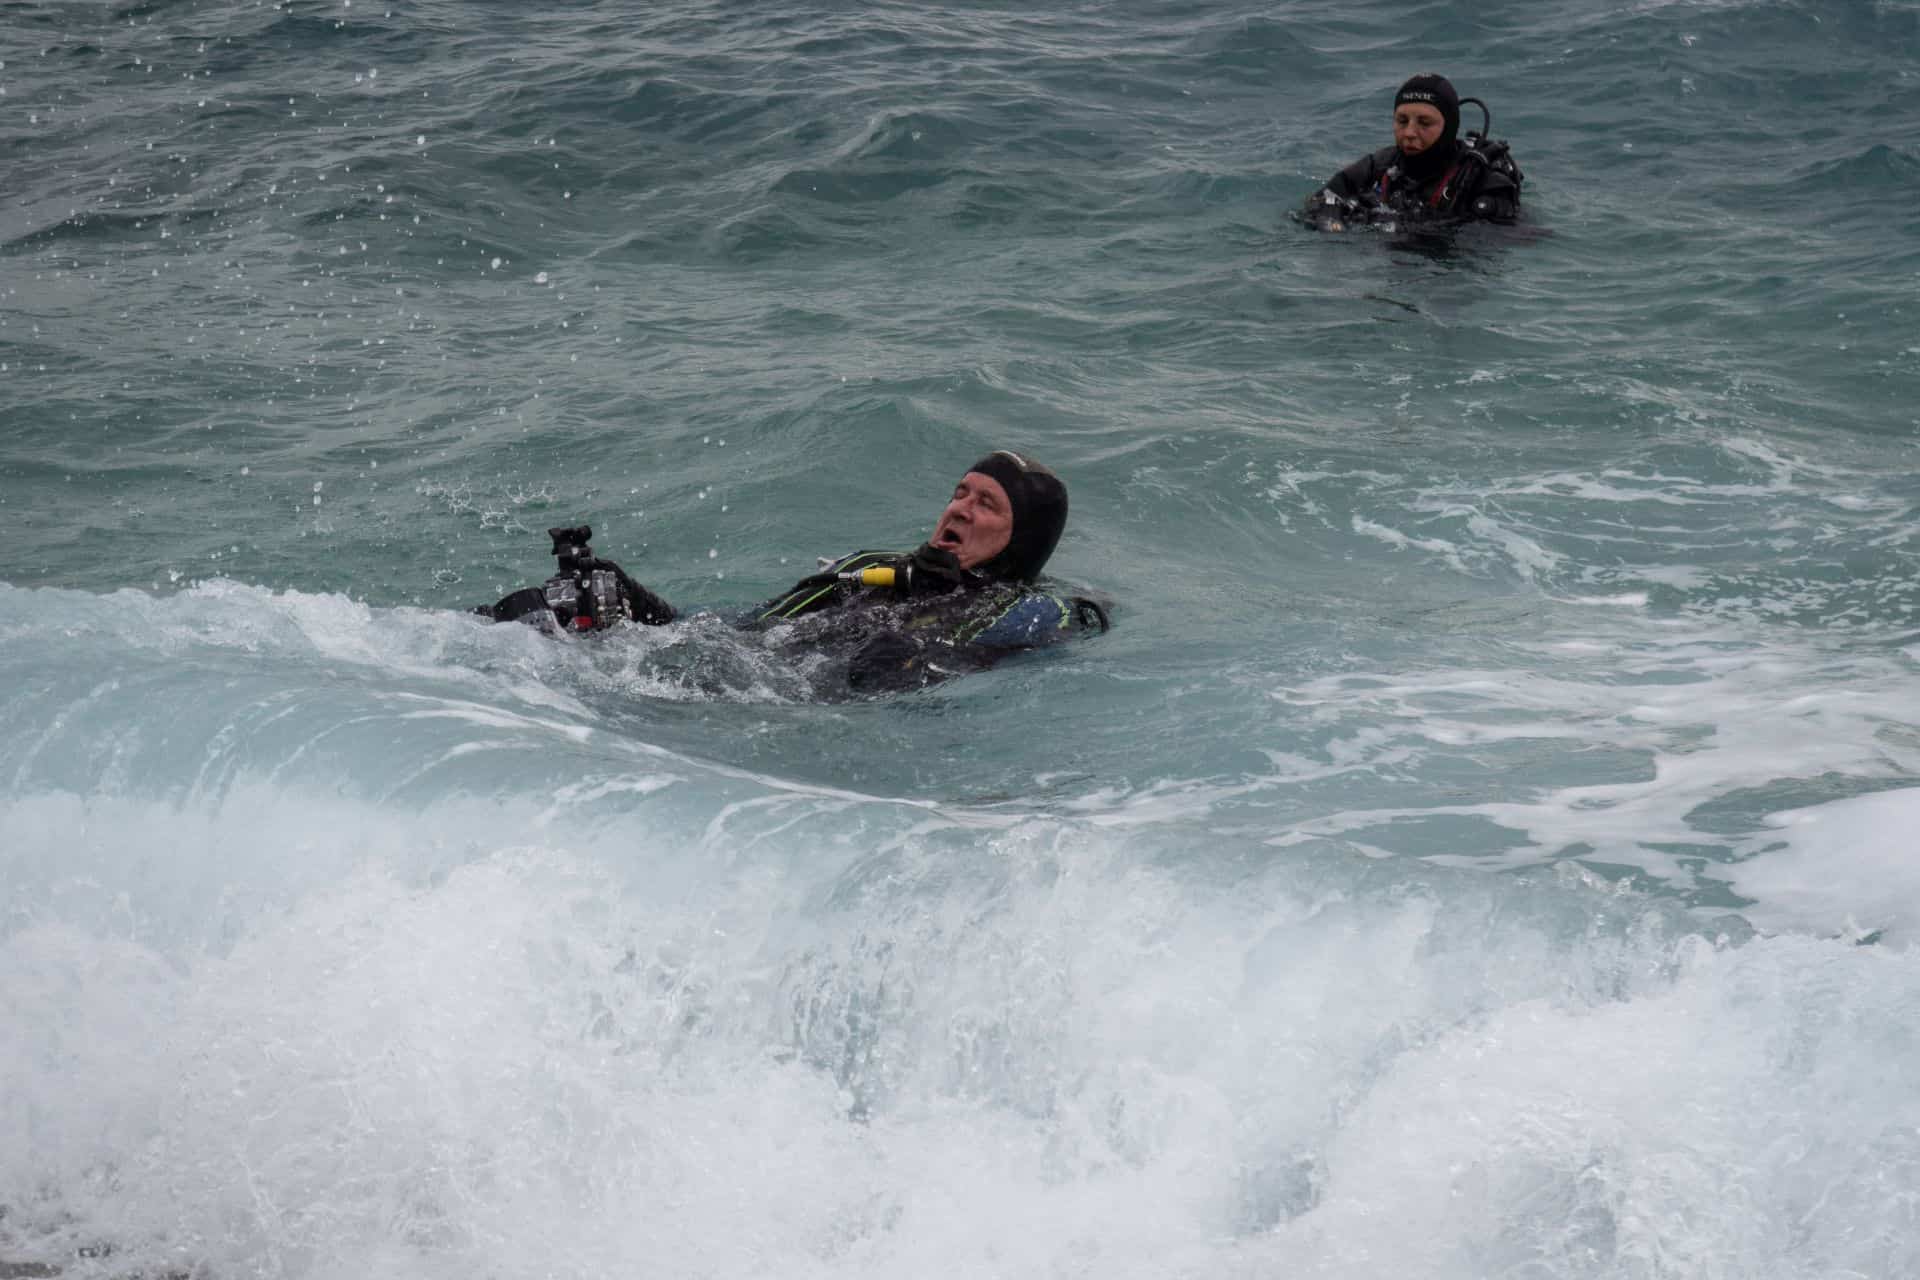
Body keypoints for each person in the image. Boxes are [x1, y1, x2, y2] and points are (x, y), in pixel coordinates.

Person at [473, 450, 1109, 693]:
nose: (961, 509)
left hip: (786, 704)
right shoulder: (874, 568)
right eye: (960, 491)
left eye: (986, 503)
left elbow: (913, 670)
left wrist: (920, 629)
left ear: (1021, 539)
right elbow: (748, 626)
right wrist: (637, 601)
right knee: (546, 601)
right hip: (732, 659)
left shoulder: (1033, 607)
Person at [1301, 73, 1523, 230]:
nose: (1409, 132)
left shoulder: (1482, 179)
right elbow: (1318, 202)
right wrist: (1329, 216)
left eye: (1424, 123)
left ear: (1449, 126)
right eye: (1402, 120)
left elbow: (1498, 246)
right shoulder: (1381, 165)